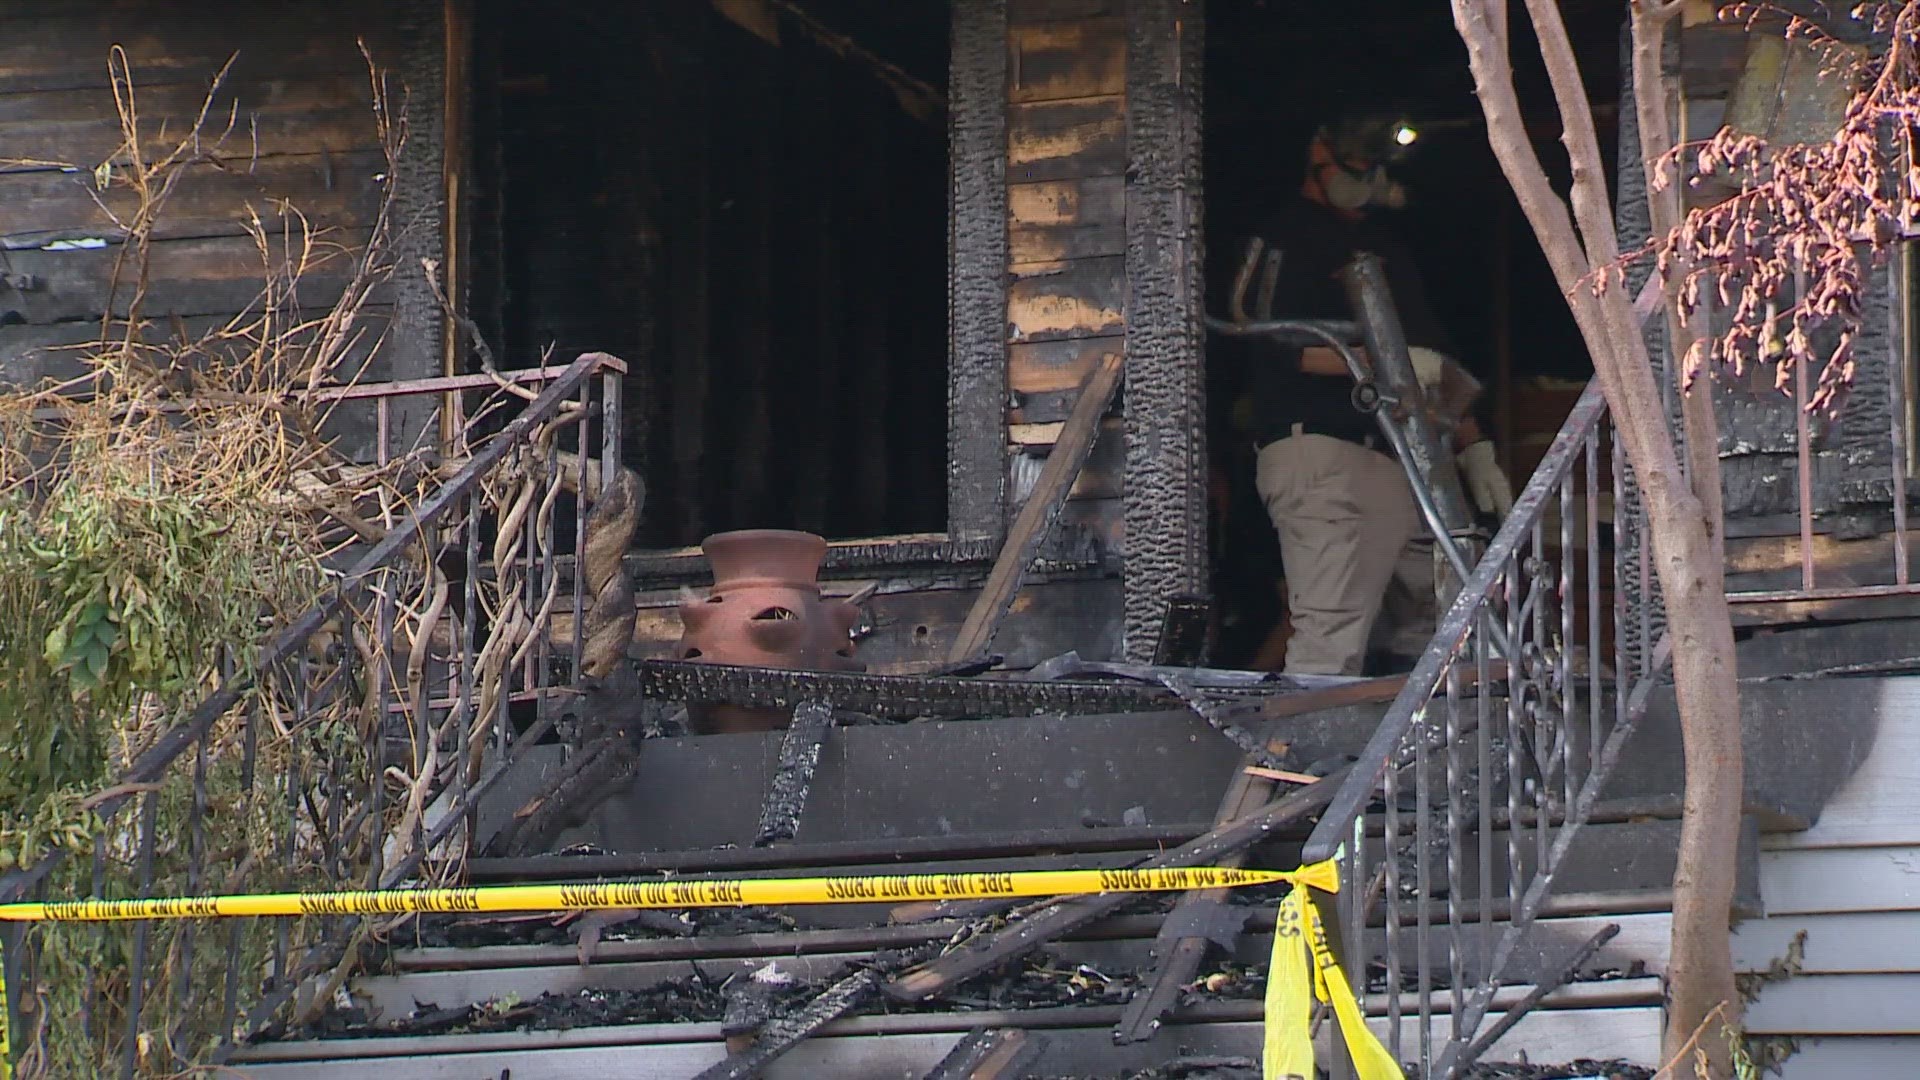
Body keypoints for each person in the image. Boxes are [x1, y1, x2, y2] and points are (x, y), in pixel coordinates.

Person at [1224, 112, 1513, 676]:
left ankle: (1416, 756)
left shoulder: (1381, 248)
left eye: (1375, 170)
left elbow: (1435, 360)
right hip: (1323, 456)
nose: (1367, 181)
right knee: (1330, 635)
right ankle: (1292, 760)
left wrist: (1474, 448)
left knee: (1437, 622)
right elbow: (1282, 347)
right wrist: (1388, 364)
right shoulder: (1286, 237)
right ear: (1317, 151)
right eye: (1357, 166)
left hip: (1399, 461)